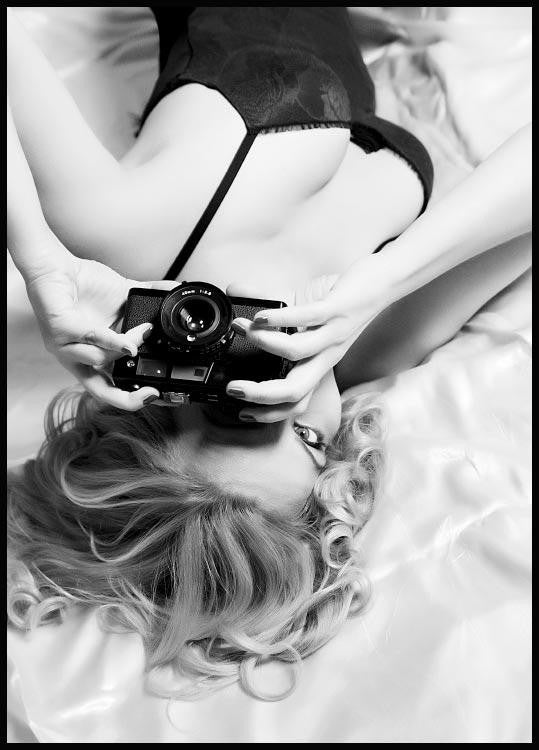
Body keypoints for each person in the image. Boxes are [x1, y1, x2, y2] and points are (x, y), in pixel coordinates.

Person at [7, 7, 531, 701]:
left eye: (227, 405)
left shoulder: (118, 230)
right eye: (307, 437)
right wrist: (389, 277)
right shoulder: (375, 341)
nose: (288, 393)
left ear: (152, 391)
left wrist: (37, 256)